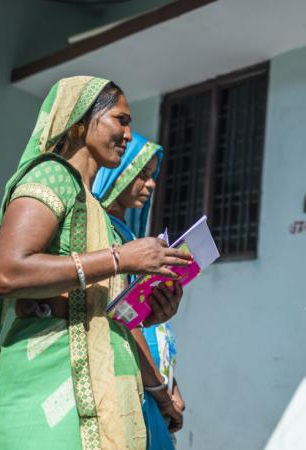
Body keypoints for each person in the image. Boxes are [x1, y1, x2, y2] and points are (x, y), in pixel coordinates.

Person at [0, 76, 190, 450]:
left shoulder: (97, 214)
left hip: (91, 395)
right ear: (79, 123)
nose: (127, 133)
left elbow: (90, 303)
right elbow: (9, 272)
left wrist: (149, 312)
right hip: (45, 394)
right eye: (120, 120)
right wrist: (122, 258)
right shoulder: (52, 176)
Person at [93, 132, 183, 450]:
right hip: (129, 379)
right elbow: (121, 318)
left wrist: (170, 386)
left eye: (153, 175)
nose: (151, 184)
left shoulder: (129, 235)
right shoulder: (100, 233)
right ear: (117, 173)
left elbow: (139, 317)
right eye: (142, 174)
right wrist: (161, 392)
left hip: (149, 379)